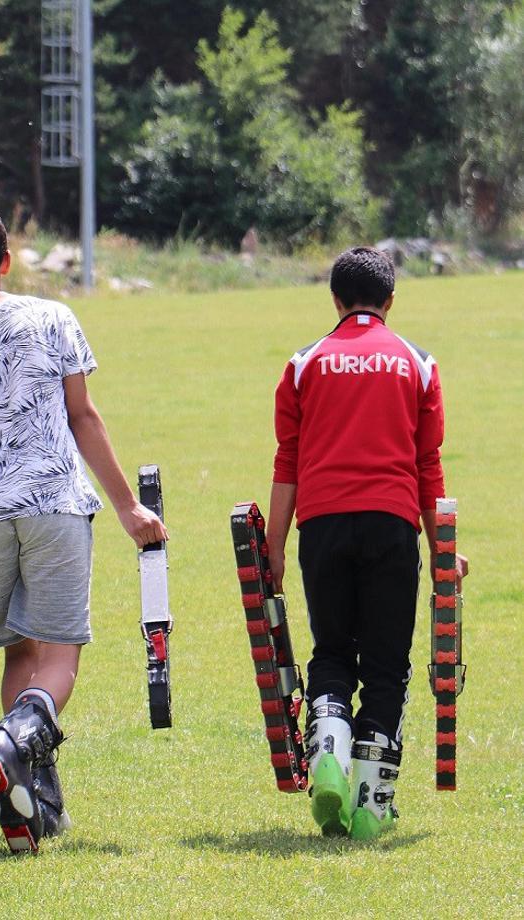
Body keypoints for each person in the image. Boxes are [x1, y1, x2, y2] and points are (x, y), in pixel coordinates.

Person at [0, 203, 166, 852]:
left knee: (20, 654)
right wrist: (128, 509)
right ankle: (11, 745)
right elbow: (83, 417)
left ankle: (29, 808)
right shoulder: (54, 318)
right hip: (53, 502)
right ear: (7, 260)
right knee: (58, 658)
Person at [265, 246, 468, 840]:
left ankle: (328, 743)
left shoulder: (303, 363)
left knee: (331, 651)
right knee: (385, 666)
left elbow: (288, 461)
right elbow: (427, 465)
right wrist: (441, 551)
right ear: (390, 301)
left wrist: (273, 546)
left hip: (321, 525)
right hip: (392, 525)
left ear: (334, 300)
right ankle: (372, 804)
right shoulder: (418, 363)